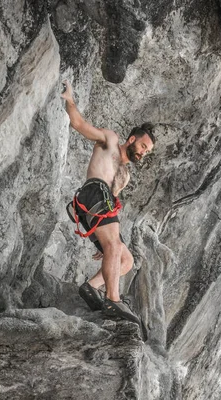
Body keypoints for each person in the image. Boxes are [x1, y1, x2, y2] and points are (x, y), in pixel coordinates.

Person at [61, 80, 155, 326]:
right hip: (94, 191)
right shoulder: (110, 140)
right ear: (132, 139)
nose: (144, 152)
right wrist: (70, 99)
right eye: (143, 146)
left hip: (104, 206)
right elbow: (79, 124)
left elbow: (112, 205)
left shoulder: (125, 175)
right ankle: (113, 299)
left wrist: (104, 238)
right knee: (114, 246)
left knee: (126, 260)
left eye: (147, 151)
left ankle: (92, 287)